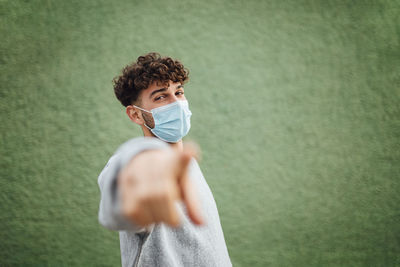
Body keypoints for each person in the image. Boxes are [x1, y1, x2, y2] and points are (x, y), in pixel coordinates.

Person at [97, 52, 232, 266]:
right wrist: (134, 166)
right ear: (135, 115)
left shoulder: (187, 163)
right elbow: (121, 194)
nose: (177, 103)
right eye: (161, 97)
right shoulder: (137, 164)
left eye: (179, 92)